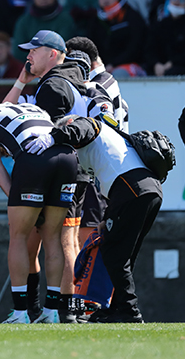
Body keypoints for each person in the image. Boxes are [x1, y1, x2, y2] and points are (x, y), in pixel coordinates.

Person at [26, 115, 163, 323]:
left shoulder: (88, 124)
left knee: (114, 253)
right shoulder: (104, 142)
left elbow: (79, 129)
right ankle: (118, 308)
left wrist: (52, 137)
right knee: (123, 254)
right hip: (147, 190)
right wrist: (107, 217)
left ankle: (129, 311)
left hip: (132, 189)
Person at [4, 30, 89, 323]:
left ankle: (61, 312)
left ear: (52, 54)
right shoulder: (66, 80)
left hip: (57, 168)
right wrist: (22, 81)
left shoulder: (53, 85)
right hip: (74, 169)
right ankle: (47, 310)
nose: (28, 55)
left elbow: (43, 132)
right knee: (52, 240)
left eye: (34, 50)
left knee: (59, 241)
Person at [0, 102, 78, 323]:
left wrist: (14, 196)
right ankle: (51, 312)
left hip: (34, 159)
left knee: (18, 236)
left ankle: (20, 313)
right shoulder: (34, 108)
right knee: (53, 237)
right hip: (68, 157)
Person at [86, 0, 147, 77]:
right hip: (104, 66)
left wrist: (114, 64)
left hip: (131, 64)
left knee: (118, 74)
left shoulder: (132, 17)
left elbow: (136, 47)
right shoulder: (95, 21)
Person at [12, 0, 76, 62]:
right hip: (30, 65)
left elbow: (64, 49)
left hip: (58, 65)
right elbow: (18, 52)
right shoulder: (24, 21)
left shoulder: (65, 19)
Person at [146, 0, 185, 76]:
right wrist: (156, 64)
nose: (177, 2)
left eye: (182, 0)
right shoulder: (160, 24)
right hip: (159, 67)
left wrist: (172, 63)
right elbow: (149, 48)